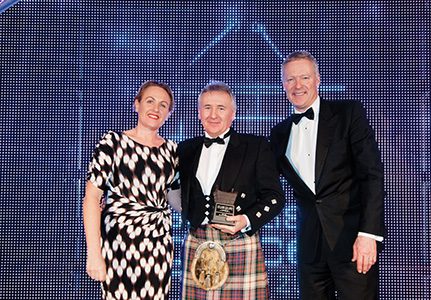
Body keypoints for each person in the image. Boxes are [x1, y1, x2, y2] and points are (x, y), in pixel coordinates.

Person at [270, 51, 384, 299]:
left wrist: (368, 235)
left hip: (353, 243)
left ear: (317, 79)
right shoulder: (279, 134)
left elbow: (372, 175)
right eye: (290, 80)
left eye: (304, 77)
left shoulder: (348, 113)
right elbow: (265, 184)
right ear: (283, 85)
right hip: (310, 250)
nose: (297, 85)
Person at [177, 81, 285, 299]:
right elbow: (167, 186)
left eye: (221, 108)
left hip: (238, 243)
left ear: (233, 114)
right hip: (197, 242)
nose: (213, 115)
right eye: (207, 108)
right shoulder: (185, 149)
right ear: (199, 113)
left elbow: (275, 197)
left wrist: (246, 220)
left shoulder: (255, 146)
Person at [83, 80, 178, 299]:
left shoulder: (172, 150)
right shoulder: (113, 142)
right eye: (150, 101)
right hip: (118, 242)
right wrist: (94, 254)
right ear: (137, 104)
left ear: (169, 113)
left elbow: (176, 198)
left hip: (158, 245)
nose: (156, 109)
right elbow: (92, 199)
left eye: (163, 105)